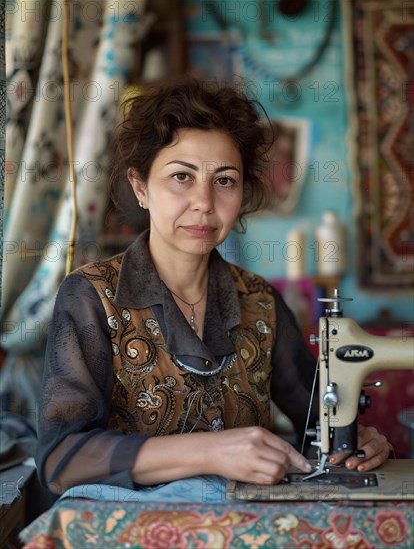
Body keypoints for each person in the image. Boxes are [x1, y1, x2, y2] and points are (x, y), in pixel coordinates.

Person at [36, 78, 390, 496]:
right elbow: (63, 459)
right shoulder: (92, 297)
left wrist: (358, 441)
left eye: (224, 180)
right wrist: (209, 451)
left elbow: (320, 425)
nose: (204, 201)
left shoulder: (260, 303)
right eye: (181, 177)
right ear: (140, 187)